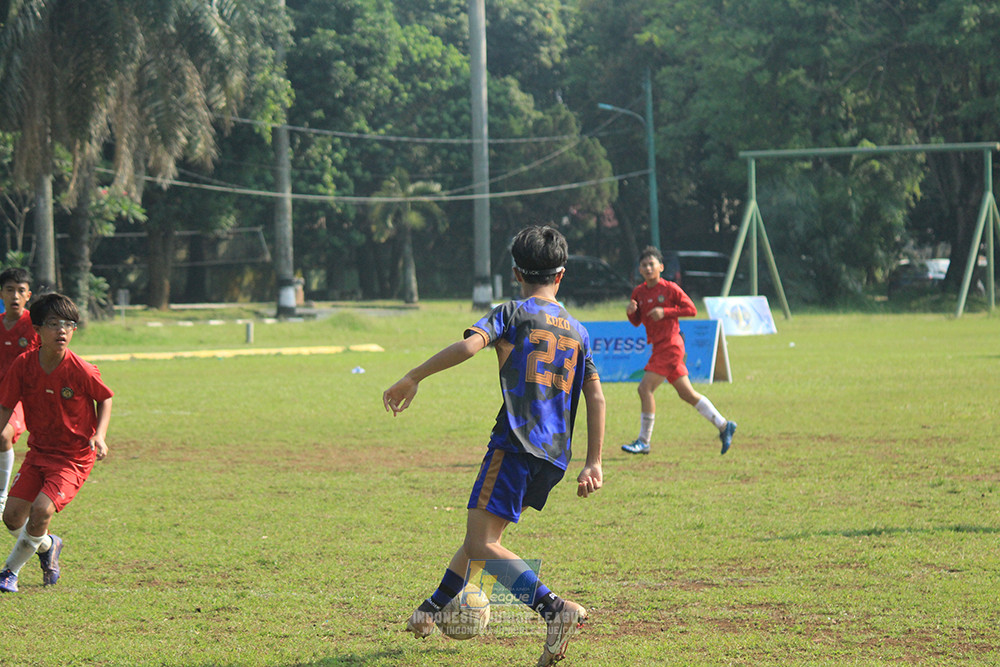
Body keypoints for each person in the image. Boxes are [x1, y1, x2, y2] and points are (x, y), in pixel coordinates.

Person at [382, 225, 605, 666]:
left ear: (516, 273)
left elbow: (469, 347)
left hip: (515, 442)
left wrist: (414, 376)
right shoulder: (579, 331)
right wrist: (593, 462)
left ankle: (554, 609)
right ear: (561, 275)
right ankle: (430, 610)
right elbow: (595, 395)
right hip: (553, 456)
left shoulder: (512, 312)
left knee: (484, 544)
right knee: (481, 537)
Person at [0, 292, 113, 592]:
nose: (62, 330)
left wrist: (99, 435)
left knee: (41, 511)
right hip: (38, 453)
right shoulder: (23, 366)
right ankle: (49, 545)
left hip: (72, 458)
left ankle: (9, 572)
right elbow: (5, 407)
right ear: (36, 329)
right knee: (11, 518)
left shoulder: (82, 369)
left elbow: (105, 398)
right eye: (53, 323)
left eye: (68, 324)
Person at [621, 246, 736, 455]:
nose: (648, 268)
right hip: (659, 346)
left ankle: (643, 441)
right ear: (639, 269)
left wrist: (665, 311)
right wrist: (631, 313)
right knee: (687, 394)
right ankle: (724, 425)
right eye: (644, 265)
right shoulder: (638, 292)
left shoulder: (670, 288)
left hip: (671, 345)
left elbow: (691, 309)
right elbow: (637, 322)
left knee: (644, 389)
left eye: (651, 264)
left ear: (661, 267)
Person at [0, 268, 38, 516]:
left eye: (20, 290)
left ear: (28, 295)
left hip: (20, 397)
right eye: (10, 289)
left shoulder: (35, 325)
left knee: (2, 436)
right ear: (1, 293)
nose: (15, 295)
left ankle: (1, 496)